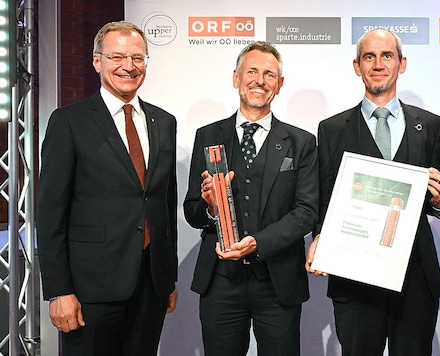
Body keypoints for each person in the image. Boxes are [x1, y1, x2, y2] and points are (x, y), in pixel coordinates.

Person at [36, 21, 178, 356]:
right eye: (118, 57)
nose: (129, 66)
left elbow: (164, 204)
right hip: (90, 289)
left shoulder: (164, 122)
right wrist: (59, 291)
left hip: (151, 285)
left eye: (138, 58)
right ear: (97, 61)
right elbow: (51, 211)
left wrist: (167, 278)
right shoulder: (69, 121)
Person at [305, 28, 440, 356]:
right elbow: (324, 197)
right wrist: (320, 239)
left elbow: (435, 203)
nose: (378, 63)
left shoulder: (429, 124)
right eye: (369, 56)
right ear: (357, 66)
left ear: (402, 63)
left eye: (387, 55)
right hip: (353, 275)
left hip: (415, 275)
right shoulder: (331, 129)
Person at [183, 41, 318, 355]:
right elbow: (192, 211)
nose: (260, 80)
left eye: (269, 75)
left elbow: (307, 211)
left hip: (278, 282)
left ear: (279, 85)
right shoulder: (208, 136)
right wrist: (211, 210)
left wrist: (259, 242)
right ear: (236, 78)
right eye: (252, 72)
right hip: (220, 281)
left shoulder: (301, 142)